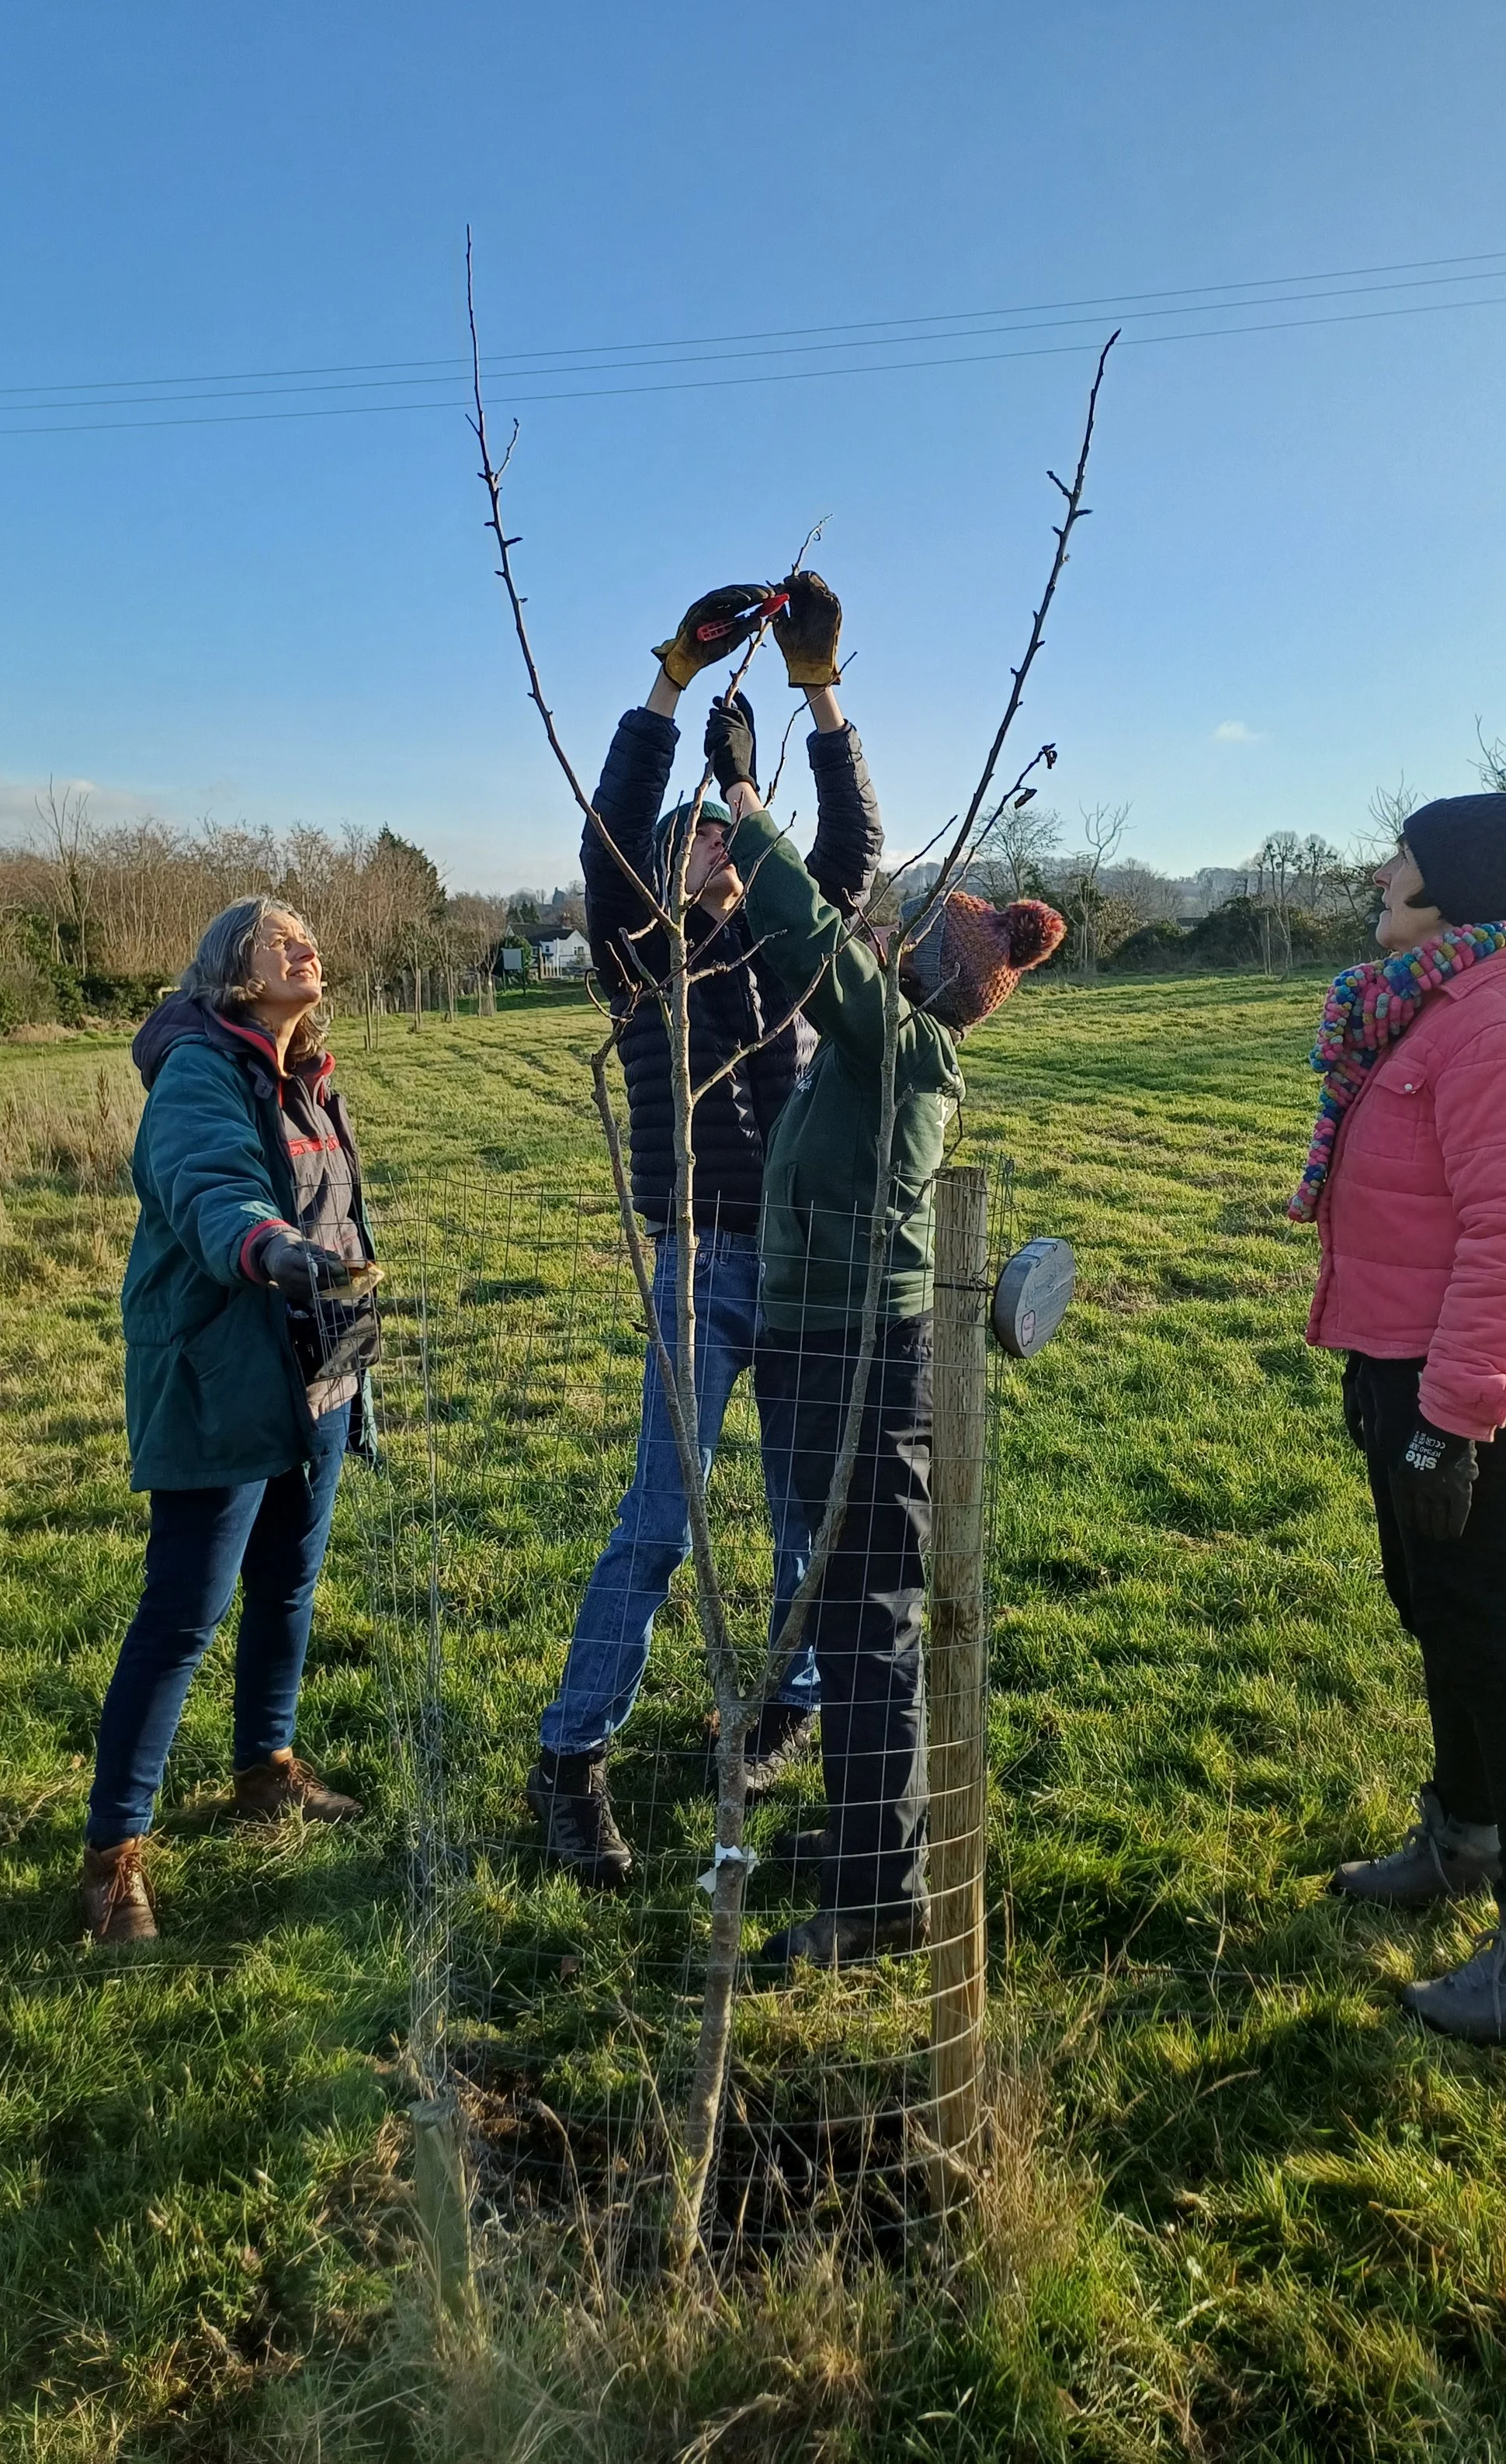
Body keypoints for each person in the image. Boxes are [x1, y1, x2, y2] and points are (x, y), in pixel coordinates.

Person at [527, 573, 884, 1888]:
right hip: (696, 1264)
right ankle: (571, 1760)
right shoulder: (641, 959)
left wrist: (812, 696)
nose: (720, 858)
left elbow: (847, 853)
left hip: (798, 1267)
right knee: (657, 1524)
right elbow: (609, 836)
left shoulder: (790, 950)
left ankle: (789, 1696)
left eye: (734, 846)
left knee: (805, 1510)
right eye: (699, 845)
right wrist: (670, 684)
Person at [717, 723, 1065, 1967]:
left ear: (939, 977)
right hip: (824, 1341)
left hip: (869, 1348)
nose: (896, 943)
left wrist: (751, 809)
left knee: (865, 1615)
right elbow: (821, 949)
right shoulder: (876, 1046)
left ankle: (882, 1891)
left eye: (917, 944)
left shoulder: (910, 1048)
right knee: (846, 1600)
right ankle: (874, 1838)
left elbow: (819, 943)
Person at [1289, 791, 1506, 2039]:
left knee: (1489, 1634)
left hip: (1480, 1367)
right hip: (1410, 1357)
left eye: (1404, 858)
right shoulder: (1433, 1003)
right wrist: (1382, 1373)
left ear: (1453, 888)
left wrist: (1453, 1422)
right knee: (1432, 1605)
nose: (1381, 871)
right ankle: (1465, 1837)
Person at [81, 898, 378, 1944]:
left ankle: (266, 1768)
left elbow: (335, 1212)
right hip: (225, 1370)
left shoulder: (305, 1076)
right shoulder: (201, 1071)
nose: (305, 939)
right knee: (185, 1613)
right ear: (233, 973)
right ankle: (113, 1858)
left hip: (317, 1372)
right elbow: (213, 1187)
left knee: (288, 1584)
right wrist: (268, 1247)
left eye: (308, 926)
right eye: (278, 932)